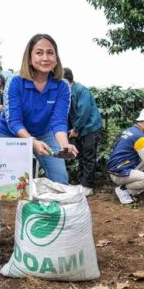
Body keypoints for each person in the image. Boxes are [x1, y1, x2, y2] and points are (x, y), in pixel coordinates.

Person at [0, 33, 78, 246]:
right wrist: (32, 141)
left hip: (45, 133)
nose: (45, 57)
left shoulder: (62, 86)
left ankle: (56, 229)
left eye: (50, 53)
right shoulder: (15, 82)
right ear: (29, 57)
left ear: (56, 58)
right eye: (39, 52)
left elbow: (58, 122)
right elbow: (14, 120)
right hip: (9, 132)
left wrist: (64, 144)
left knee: (60, 177)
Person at [63, 67, 103, 196]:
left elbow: (83, 111)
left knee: (88, 156)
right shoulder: (67, 92)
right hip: (80, 129)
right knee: (80, 156)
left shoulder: (81, 90)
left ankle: (88, 186)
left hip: (89, 128)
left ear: (65, 80)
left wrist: (75, 129)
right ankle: (82, 183)